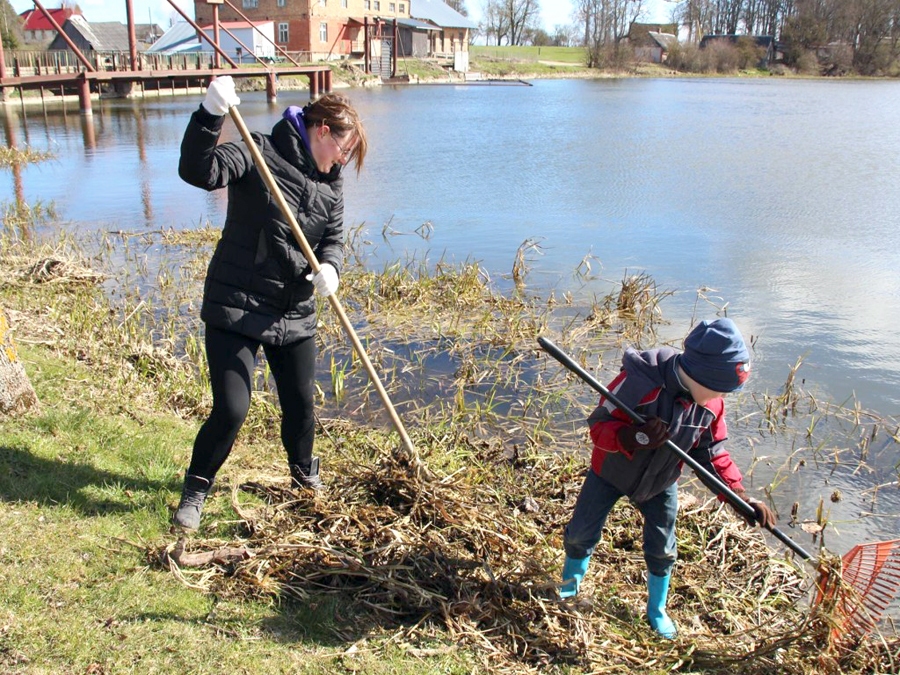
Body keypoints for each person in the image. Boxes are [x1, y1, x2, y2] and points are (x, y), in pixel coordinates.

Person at [173, 76, 368, 529]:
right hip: (236, 305)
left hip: (292, 312)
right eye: (344, 149)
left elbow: (333, 240)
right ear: (322, 132)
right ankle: (195, 489)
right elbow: (197, 171)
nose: (344, 160)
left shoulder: (332, 185)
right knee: (232, 408)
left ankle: (304, 482)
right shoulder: (256, 150)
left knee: (301, 406)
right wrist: (209, 115)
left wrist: (332, 269)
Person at [558, 318, 776, 639]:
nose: (721, 397)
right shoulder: (639, 382)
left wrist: (739, 496)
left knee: (662, 548)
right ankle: (567, 591)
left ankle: (656, 610)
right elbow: (598, 426)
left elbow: (712, 454)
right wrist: (633, 437)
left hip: (661, 481)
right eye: (720, 389)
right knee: (580, 534)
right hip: (610, 472)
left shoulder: (710, 405)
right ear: (701, 375)